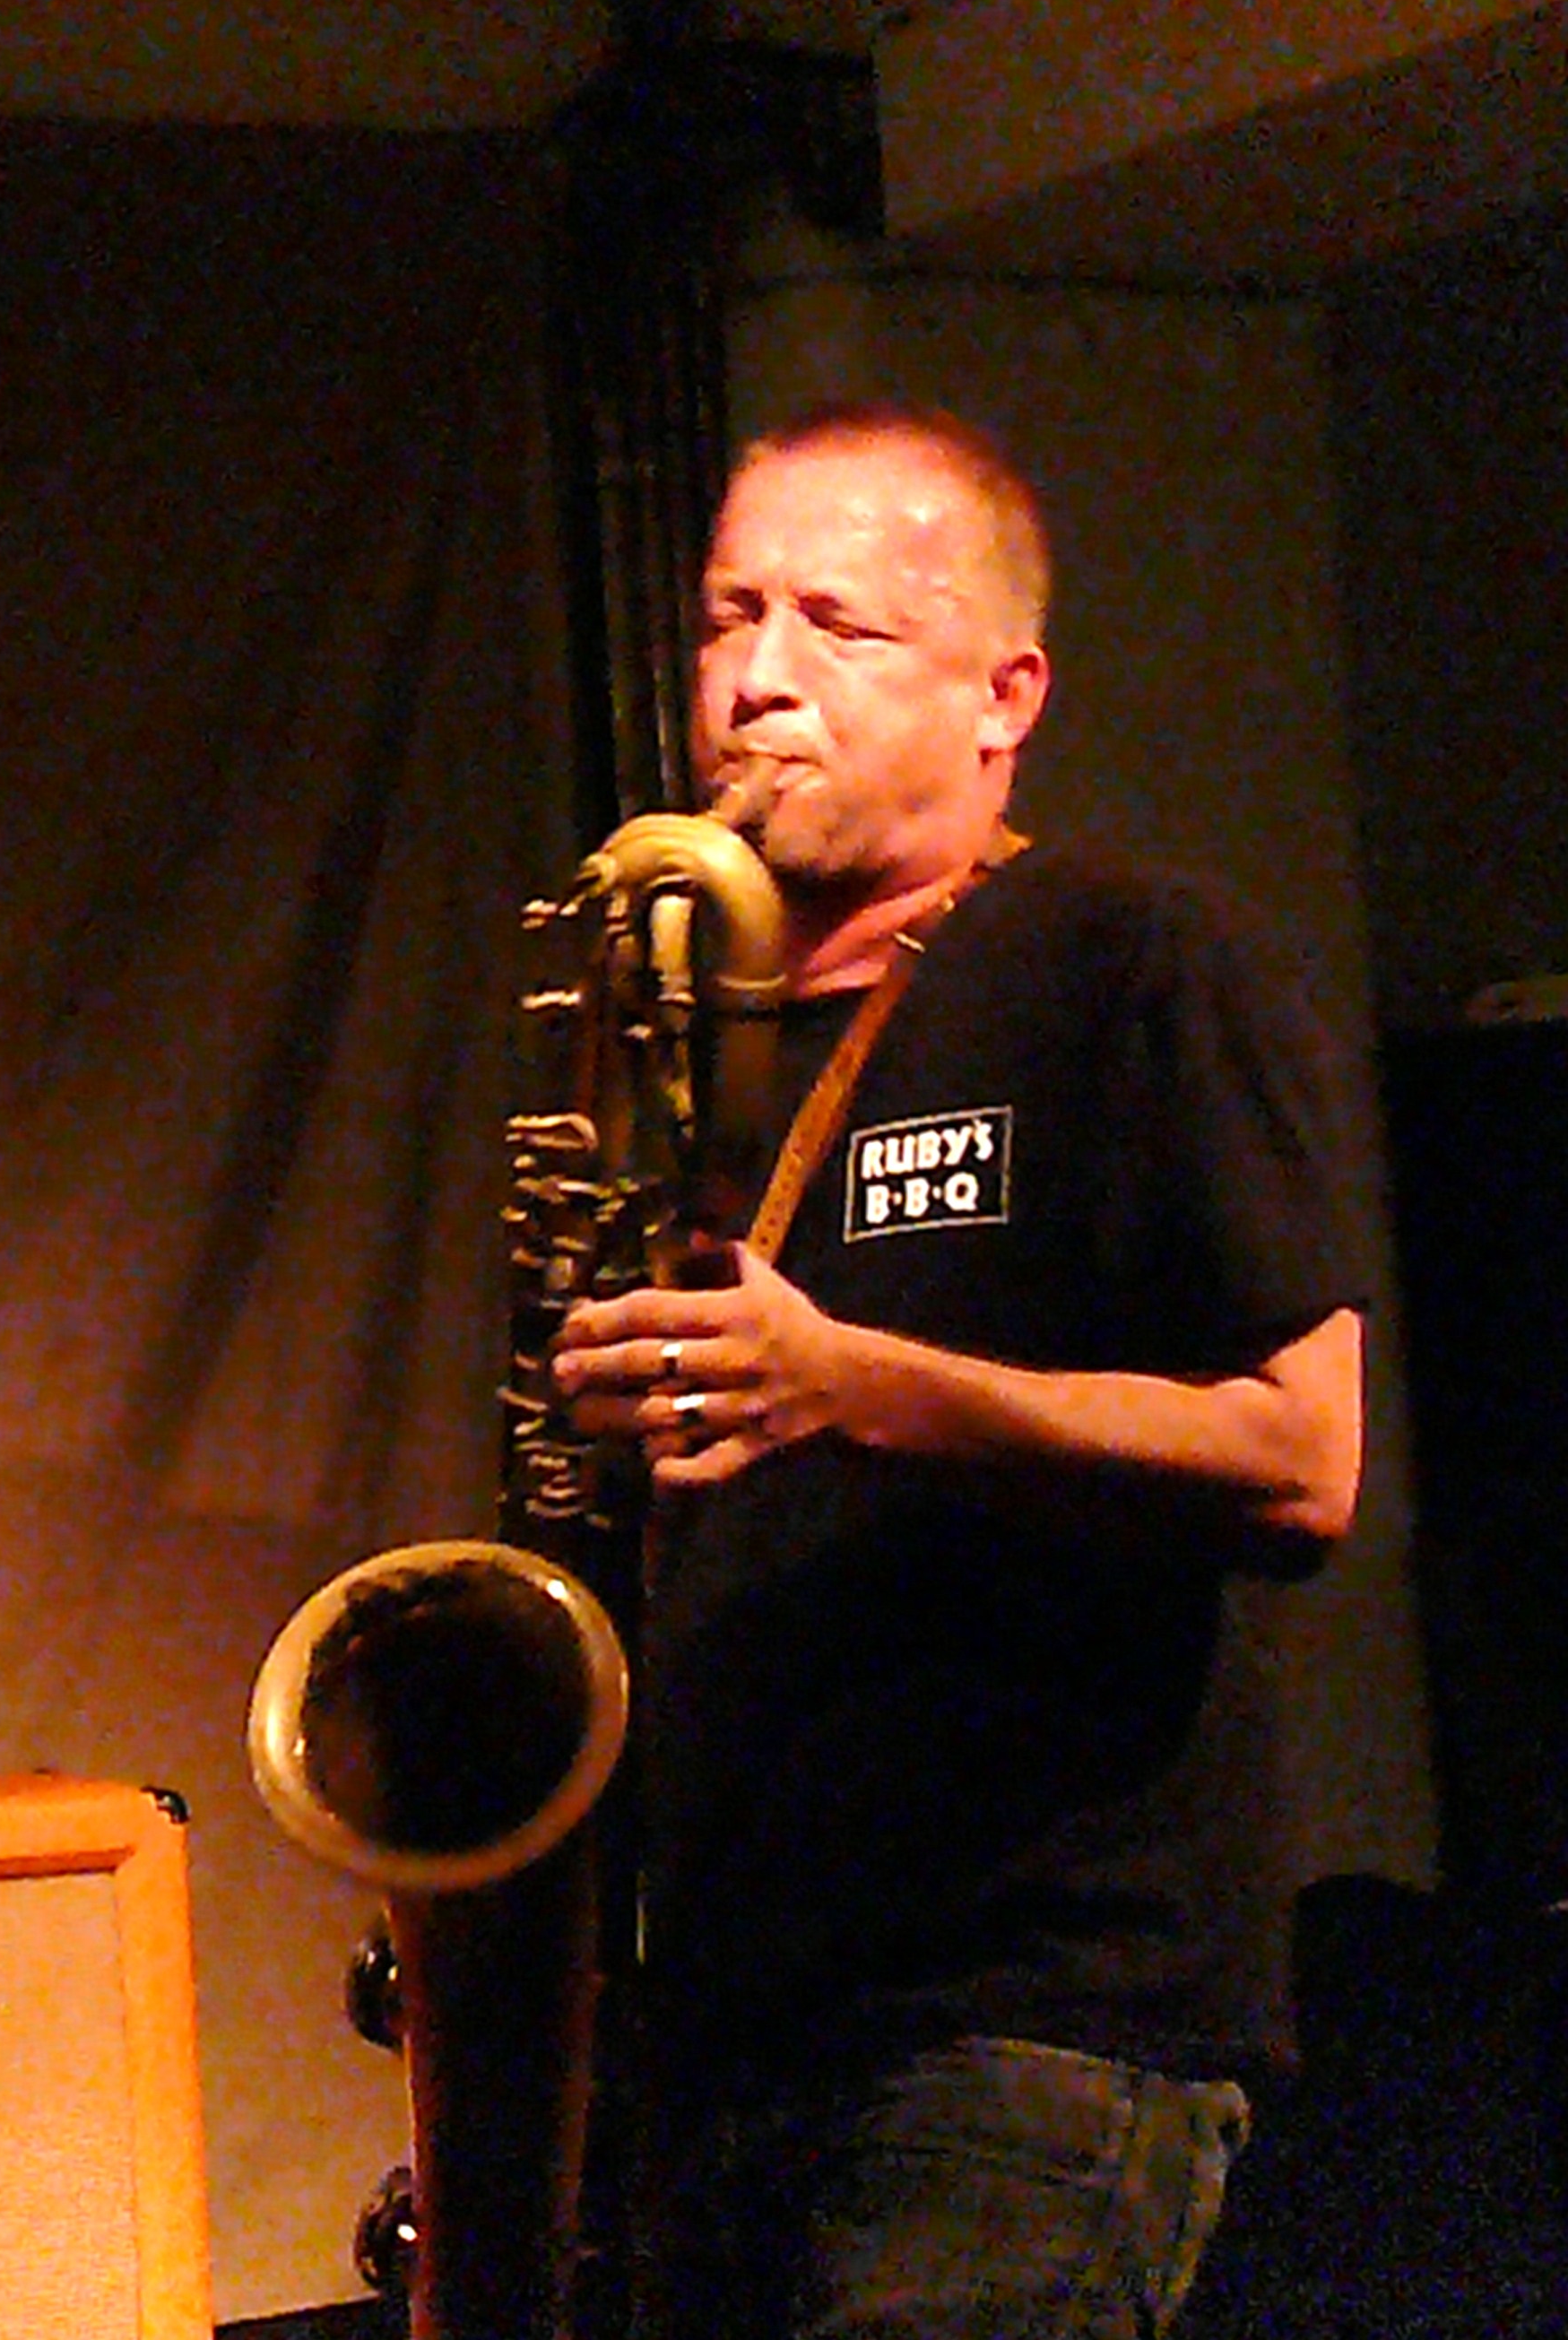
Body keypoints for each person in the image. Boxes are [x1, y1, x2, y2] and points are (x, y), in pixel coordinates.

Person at [546, 402, 1378, 2338]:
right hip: (724, 2040)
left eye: (836, 628)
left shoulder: (1127, 958)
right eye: (728, 618)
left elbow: (1303, 1458)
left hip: (1034, 2028)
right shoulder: (672, 1041)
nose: (756, 684)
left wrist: (853, 1384)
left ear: (1006, 697)